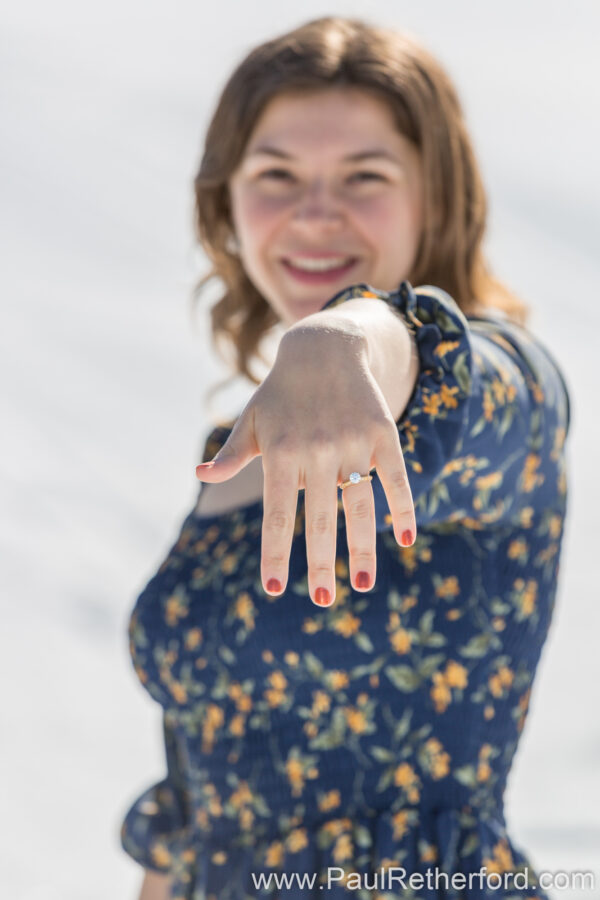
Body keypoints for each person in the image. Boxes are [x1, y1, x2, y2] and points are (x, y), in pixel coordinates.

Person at [119, 16, 571, 900]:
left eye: (365, 177)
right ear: (227, 204)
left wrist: (352, 332)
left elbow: (463, 379)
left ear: (436, 197)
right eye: (276, 175)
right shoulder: (234, 460)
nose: (315, 212)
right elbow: (193, 800)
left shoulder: (500, 391)